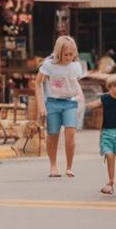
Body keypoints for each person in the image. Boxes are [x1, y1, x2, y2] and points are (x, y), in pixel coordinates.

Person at [34, 35, 85, 178]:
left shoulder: (76, 66)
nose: (68, 57)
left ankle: (69, 167)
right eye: (65, 54)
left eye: (71, 54)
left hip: (71, 102)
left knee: (70, 133)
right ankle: (53, 166)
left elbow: (76, 84)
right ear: (58, 52)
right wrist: (40, 106)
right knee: (52, 135)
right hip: (53, 103)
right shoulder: (48, 65)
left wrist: (81, 102)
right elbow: (37, 83)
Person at [86, 74, 116, 195]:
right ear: (110, 87)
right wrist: (82, 107)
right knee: (110, 154)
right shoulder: (105, 98)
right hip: (106, 131)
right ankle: (111, 181)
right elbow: (93, 104)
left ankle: (110, 181)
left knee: (114, 154)